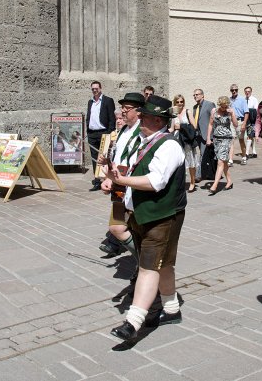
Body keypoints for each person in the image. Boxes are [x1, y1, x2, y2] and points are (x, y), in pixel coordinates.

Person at [104, 95, 187, 342]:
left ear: (157, 119)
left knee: (148, 267)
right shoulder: (144, 141)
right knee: (164, 264)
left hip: (163, 215)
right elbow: (132, 170)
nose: (139, 119)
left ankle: (133, 321)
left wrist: (122, 181)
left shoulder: (169, 145)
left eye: (144, 116)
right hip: (142, 213)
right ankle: (171, 309)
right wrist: (113, 180)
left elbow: (155, 181)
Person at [98, 93, 144, 260]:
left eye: (127, 108)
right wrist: (109, 178)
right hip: (119, 185)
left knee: (137, 230)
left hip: (135, 185)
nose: (123, 111)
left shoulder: (144, 131)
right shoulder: (123, 130)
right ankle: (142, 261)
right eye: (122, 108)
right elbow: (118, 159)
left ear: (139, 111)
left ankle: (144, 267)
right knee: (116, 227)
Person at [86, 81, 116, 191]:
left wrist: (109, 132)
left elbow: (112, 118)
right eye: (93, 88)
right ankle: (97, 181)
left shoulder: (108, 100)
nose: (94, 90)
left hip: (104, 132)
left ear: (100, 88)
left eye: (96, 88)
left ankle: (109, 178)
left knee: (105, 157)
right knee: (95, 158)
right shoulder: (90, 102)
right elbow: (89, 116)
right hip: (92, 134)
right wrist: (88, 131)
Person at [206, 95, 238, 195]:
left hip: (226, 139)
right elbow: (211, 124)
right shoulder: (214, 111)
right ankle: (229, 181)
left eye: (226, 106)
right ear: (219, 104)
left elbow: (236, 124)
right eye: (223, 106)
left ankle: (215, 185)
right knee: (223, 161)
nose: (224, 108)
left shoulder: (230, 111)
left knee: (220, 161)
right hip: (216, 139)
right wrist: (208, 138)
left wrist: (232, 114)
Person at [169, 94, 199, 193]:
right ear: (175, 103)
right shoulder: (174, 113)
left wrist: (181, 126)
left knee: (191, 162)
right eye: (177, 102)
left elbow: (194, 126)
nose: (180, 103)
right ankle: (180, 182)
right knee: (179, 162)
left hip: (187, 140)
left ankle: (192, 182)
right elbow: (172, 129)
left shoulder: (187, 111)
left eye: (181, 101)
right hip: (178, 140)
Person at [192, 88, 216, 180]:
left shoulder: (209, 104)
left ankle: (198, 175)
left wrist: (212, 135)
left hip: (207, 135)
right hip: (197, 135)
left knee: (202, 154)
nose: (195, 96)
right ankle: (212, 172)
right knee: (205, 155)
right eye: (194, 95)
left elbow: (214, 120)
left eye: (197, 94)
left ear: (202, 95)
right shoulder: (195, 107)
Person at [229, 84, 249, 165]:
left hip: (240, 121)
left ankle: (244, 157)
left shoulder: (242, 100)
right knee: (231, 140)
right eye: (232, 90)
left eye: (235, 90)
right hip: (231, 122)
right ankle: (230, 160)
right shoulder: (229, 100)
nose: (234, 91)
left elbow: (246, 112)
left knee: (241, 140)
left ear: (237, 90)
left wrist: (244, 124)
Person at [244, 86, 259, 159]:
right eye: (246, 91)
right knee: (250, 136)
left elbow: (255, 109)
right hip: (244, 119)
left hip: (251, 119)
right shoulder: (243, 100)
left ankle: (246, 153)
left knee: (250, 135)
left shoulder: (254, 99)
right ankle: (254, 151)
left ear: (251, 92)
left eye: (248, 91)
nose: (247, 92)